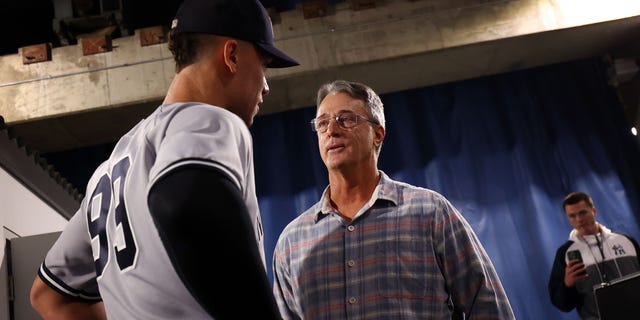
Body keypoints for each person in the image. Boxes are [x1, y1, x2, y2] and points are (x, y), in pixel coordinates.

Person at [29, 0, 299, 319]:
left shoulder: (112, 168)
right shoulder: (212, 119)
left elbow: (48, 295)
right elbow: (182, 198)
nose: (266, 85)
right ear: (232, 55)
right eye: (264, 64)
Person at [272, 80, 515, 319]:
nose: (331, 130)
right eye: (322, 123)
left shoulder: (430, 213)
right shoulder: (292, 241)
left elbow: (488, 308)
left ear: (378, 134)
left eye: (346, 119)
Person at [548, 191, 640, 319]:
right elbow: (562, 304)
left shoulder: (625, 241)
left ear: (593, 211)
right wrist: (567, 285)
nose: (579, 219)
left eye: (582, 213)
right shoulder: (565, 254)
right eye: (572, 216)